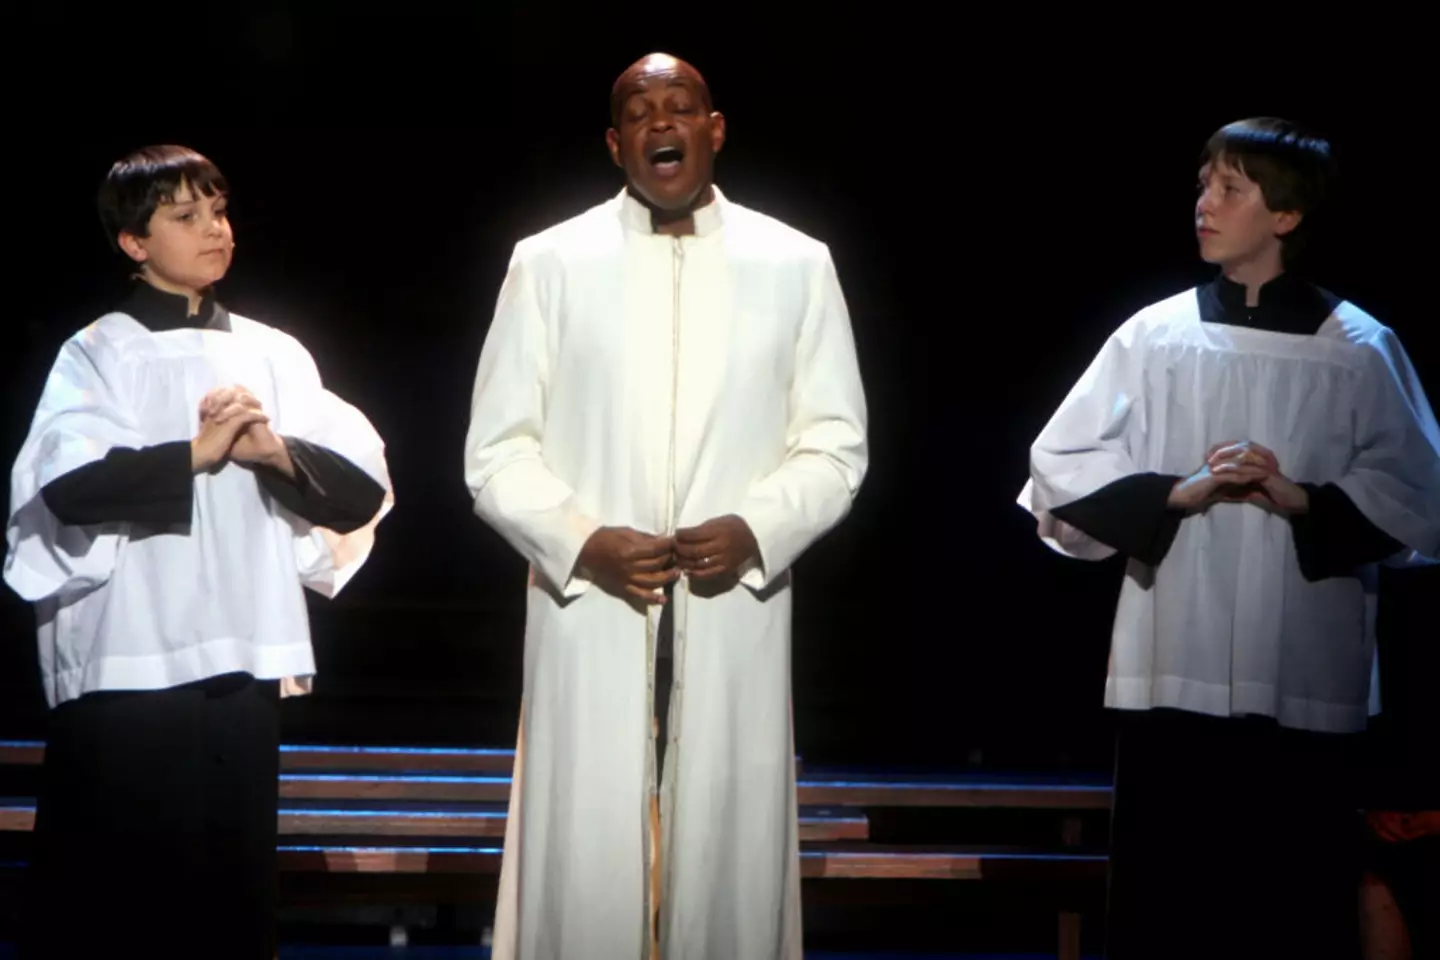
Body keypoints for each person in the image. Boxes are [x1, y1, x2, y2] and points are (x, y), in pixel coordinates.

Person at [464, 52, 868, 960]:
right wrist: (583, 541)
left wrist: (759, 528)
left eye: (678, 106)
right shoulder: (551, 261)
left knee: (726, 845)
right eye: (639, 112)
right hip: (595, 606)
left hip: (732, 604)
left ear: (712, 129)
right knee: (586, 846)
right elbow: (495, 451)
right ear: (616, 144)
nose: (660, 123)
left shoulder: (795, 263)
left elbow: (836, 442)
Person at [1016, 117, 1440, 960]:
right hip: (1179, 652)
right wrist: (1176, 492)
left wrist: (1304, 500)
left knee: (1293, 895)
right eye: (1203, 184)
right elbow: (1059, 459)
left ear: (1285, 217)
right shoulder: (1156, 334)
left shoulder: (1357, 348)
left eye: (1230, 189)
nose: (1204, 204)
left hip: (1305, 661)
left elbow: (1417, 490)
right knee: (1170, 896)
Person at [4, 144, 393, 958]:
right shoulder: (98, 352)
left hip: (242, 657)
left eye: (217, 211)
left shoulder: (273, 352)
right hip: (131, 661)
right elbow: (67, 485)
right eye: (185, 217)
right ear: (134, 244)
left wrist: (270, 452)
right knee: (121, 890)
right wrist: (194, 452)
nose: (215, 229)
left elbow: (359, 488)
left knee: (227, 888)